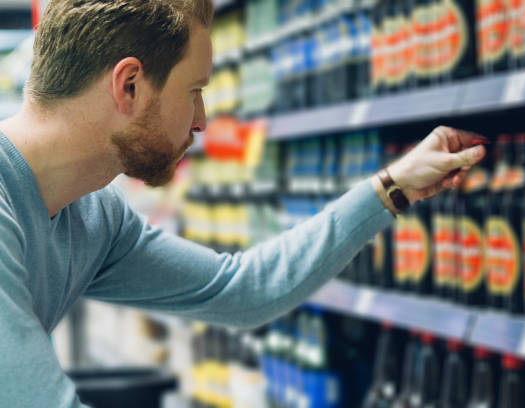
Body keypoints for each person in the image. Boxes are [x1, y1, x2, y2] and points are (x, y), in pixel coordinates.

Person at [0, 0, 486, 406]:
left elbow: (241, 290)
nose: (202, 120)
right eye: (194, 92)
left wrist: (391, 187)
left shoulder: (94, 216)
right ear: (129, 85)